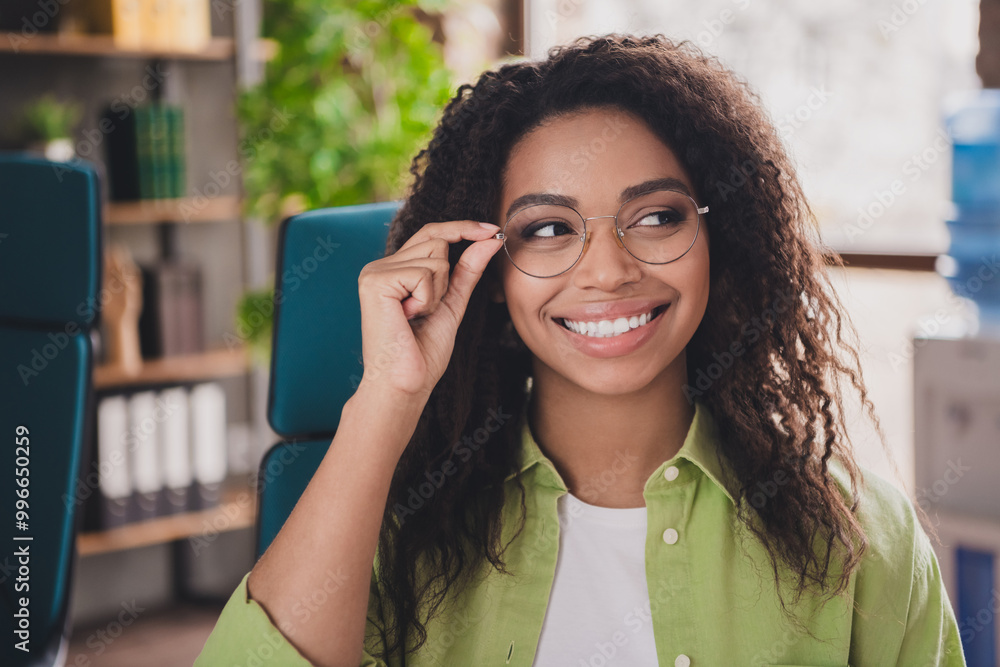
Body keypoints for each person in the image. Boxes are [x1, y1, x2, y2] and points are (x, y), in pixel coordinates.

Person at [195, 34, 966, 666]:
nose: (607, 270)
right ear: (488, 271)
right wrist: (386, 397)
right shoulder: (397, 526)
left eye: (657, 217)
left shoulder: (862, 537)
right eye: (548, 229)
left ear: (716, 238)